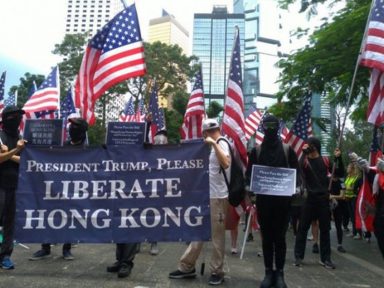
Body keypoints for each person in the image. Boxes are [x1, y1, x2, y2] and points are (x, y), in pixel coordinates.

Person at [169, 118, 230, 286]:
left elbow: (225, 163)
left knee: (217, 237)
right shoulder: (211, 144)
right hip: (205, 195)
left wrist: (214, 143)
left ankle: (217, 271)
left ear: (205, 132)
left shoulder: (222, 142)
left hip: (218, 196)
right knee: (197, 232)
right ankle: (186, 266)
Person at [246, 114, 300, 288]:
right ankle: (268, 271)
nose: (270, 129)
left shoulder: (287, 150)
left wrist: (297, 187)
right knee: (267, 238)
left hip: (283, 204)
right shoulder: (256, 151)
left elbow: (297, 173)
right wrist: (249, 187)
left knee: (281, 238)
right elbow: (249, 175)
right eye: (267, 126)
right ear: (262, 128)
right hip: (264, 203)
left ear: (277, 128)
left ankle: (280, 273)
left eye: (273, 126)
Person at [30, 117, 89, 261]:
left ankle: (66, 249)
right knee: (49, 216)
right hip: (56, 187)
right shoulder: (62, 145)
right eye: (71, 126)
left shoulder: (89, 150)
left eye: (75, 126)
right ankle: (45, 248)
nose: (72, 128)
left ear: (82, 130)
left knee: (69, 218)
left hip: (75, 189)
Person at [294, 137, 344, 269]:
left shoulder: (326, 160)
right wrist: (303, 153)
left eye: (310, 145)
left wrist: (339, 158)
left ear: (316, 146)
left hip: (323, 199)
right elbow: (297, 170)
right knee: (303, 229)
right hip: (309, 199)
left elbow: (339, 172)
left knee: (325, 230)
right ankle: (298, 256)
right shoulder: (305, 162)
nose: (309, 147)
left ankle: (326, 258)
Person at [0, 105, 27, 270]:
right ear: (5, 118)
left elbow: (26, 161)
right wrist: (16, 150)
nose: (17, 119)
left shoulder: (21, 137)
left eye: (19, 116)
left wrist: (8, 154)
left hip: (15, 185)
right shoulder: (0, 136)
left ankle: (5, 256)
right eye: (13, 116)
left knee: (10, 223)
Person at [148, 129, 169, 256]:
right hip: (146, 189)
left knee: (155, 214)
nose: (160, 142)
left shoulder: (169, 156)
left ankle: (153, 241)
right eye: (158, 140)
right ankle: (138, 240)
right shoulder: (147, 154)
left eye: (163, 141)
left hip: (159, 191)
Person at [329, 176, 347, 253]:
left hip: (339, 207)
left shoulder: (342, 182)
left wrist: (332, 196)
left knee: (338, 226)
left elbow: (342, 196)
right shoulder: (328, 181)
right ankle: (326, 244)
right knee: (325, 227)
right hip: (328, 206)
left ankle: (340, 244)